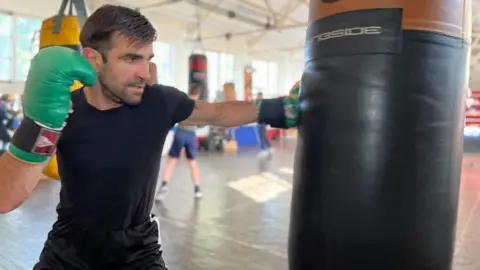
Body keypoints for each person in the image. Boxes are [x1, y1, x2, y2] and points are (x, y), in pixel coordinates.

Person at [0, 4, 299, 269]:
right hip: (69, 250)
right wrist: (40, 124)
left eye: (148, 58)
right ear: (92, 59)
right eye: (131, 58)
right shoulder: (63, 112)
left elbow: (217, 113)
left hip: (139, 250)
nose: (145, 72)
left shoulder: (158, 102)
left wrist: (278, 108)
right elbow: (6, 197)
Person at [157, 83, 203, 200]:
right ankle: (197, 189)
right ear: (198, 94)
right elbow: (201, 124)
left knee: (171, 161)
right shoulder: (200, 106)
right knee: (192, 163)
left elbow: (173, 116)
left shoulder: (182, 103)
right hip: (191, 135)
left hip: (180, 133)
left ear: (189, 91)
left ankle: (164, 185)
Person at [255, 92, 273, 156]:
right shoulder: (256, 103)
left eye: (260, 96)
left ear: (262, 96)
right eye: (258, 96)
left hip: (263, 121)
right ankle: (267, 148)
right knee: (261, 135)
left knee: (263, 135)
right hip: (259, 121)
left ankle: (265, 149)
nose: (258, 97)